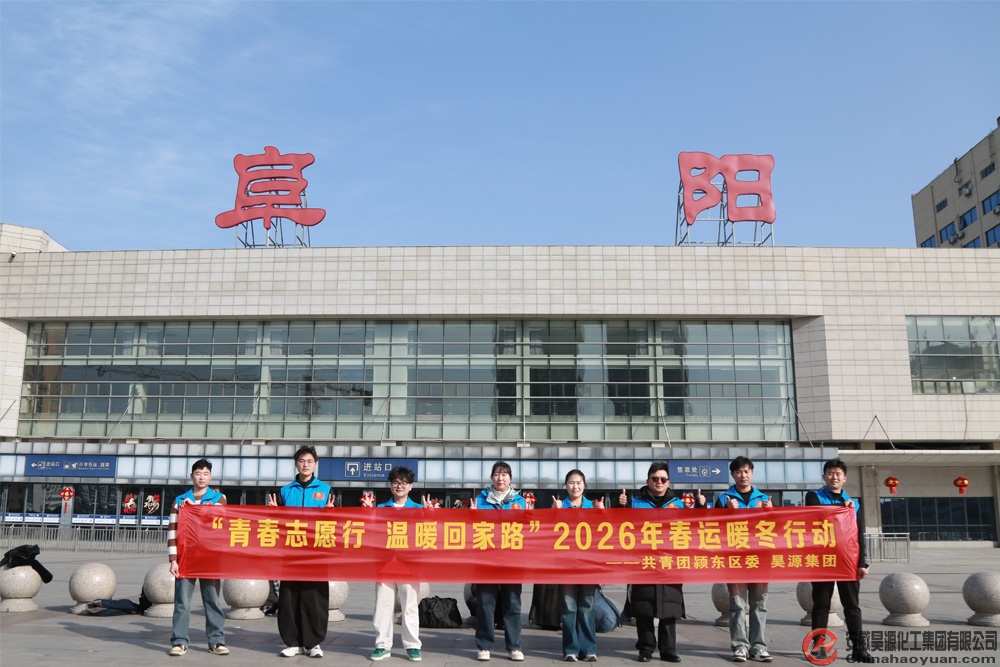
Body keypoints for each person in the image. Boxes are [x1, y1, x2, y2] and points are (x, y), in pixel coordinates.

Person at [617, 461, 706, 663]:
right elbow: (618, 524)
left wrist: (701, 507)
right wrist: (619, 506)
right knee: (643, 608)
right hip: (643, 562)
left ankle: (668, 650)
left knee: (669, 607)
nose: (659, 482)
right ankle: (646, 649)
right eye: (655, 478)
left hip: (670, 563)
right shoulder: (634, 503)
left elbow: (698, 527)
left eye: (663, 479)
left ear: (668, 482)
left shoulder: (679, 505)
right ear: (648, 481)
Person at [267, 445, 335, 658]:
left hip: (316, 551)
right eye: (302, 461)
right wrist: (273, 513)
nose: (306, 465)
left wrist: (331, 514)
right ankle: (292, 642)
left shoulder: (326, 490)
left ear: (315, 464)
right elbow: (277, 523)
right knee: (289, 596)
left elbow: (335, 522)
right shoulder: (285, 491)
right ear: (296, 464)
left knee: (315, 597)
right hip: (291, 551)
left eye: (310, 461)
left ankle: (313, 643)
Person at [363, 466, 435, 662]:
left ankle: (412, 646)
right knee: (383, 606)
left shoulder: (419, 510)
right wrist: (368, 513)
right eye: (395, 482)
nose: (399, 486)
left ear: (411, 486)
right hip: (384, 564)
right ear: (390, 486)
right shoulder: (381, 509)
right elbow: (369, 532)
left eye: (404, 483)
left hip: (409, 566)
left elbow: (430, 533)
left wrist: (430, 515)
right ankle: (382, 645)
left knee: (409, 607)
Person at [806, 458, 874, 663]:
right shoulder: (814, 496)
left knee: (852, 606)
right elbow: (816, 515)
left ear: (844, 478)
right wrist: (841, 508)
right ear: (824, 477)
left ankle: (858, 649)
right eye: (830, 473)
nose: (834, 477)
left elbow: (859, 535)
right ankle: (818, 648)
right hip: (823, 560)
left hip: (847, 561)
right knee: (821, 605)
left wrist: (862, 563)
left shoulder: (854, 503)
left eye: (838, 474)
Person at [167, 458, 229, 657]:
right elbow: (172, 531)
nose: (202, 477)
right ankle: (179, 641)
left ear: (211, 477)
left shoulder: (219, 498)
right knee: (182, 601)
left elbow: (218, 522)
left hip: (210, 557)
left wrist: (194, 508)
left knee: (212, 600)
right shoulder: (179, 501)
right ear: (191, 476)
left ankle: (216, 640)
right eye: (198, 473)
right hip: (186, 557)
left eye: (206, 473)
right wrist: (173, 560)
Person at [715, 456, 772, 663]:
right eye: (739, 472)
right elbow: (713, 528)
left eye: (746, 471)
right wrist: (727, 512)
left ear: (752, 473)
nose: (743, 475)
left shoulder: (764, 499)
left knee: (759, 604)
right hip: (735, 560)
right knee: (737, 605)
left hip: (760, 559)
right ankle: (740, 646)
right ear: (732, 474)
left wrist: (771, 512)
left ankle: (759, 646)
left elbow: (778, 528)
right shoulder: (723, 499)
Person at [474, 461, 527, 662]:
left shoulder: (520, 501)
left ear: (510, 479)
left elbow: (528, 529)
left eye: (504, 474)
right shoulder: (481, 500)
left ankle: (514, 646)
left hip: (513, 560)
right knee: (485, 603)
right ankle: (485, 645)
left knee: (512, 603)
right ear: (492, 478)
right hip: (486, 560)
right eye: (497, 474)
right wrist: (471, 515)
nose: (500, 478)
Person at [551, 470, 605, 662]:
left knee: (587, 606)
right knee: (569, 608)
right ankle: (570, 649)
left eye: (579, 482)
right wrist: (554, 512)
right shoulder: (559, 506)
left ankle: (589, 648)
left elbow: (604, 536)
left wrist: (603, 513)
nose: (575, 486)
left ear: (584, 485)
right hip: (566, 566)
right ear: (566, 485)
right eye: (571, 483)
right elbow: (548, 534)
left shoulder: (593, 507)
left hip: (588, 565)